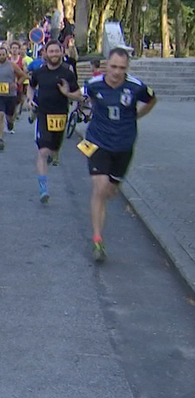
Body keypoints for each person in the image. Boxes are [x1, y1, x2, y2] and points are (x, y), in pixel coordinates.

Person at [62, 47, 157, 261]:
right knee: (100, 187)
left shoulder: (135, 86)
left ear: (127, 68)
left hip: (124, 145)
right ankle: (97, 241)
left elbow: (152, 99)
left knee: (110, 190)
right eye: (113, 66)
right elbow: (82, 95)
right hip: (97, 142)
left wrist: (137, 116)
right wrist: (68, 93)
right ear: (106, 64)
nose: (116, 72)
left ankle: (110, 189)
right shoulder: (95, 84)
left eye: (122, 68)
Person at [26, 40, 81, 203]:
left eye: (57, 51)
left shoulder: (67, 74)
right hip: (43, 114)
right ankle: (43, 189)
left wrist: (67, 93)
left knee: (54, 149)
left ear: (62, 53)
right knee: (43, 151)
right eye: (51, 51)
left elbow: (78, 95)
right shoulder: (39, 72)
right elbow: (31, 86)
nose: (54, 54)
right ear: (45, 54)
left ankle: (52, 153)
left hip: (60, 116)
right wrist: (29, 99)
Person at [0, 46, 27, 152]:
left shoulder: (12, 65)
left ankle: (10, 123)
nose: (1, 56)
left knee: (9, 116)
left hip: (10, 95)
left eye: (3, 54)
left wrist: (17, 84)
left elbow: (23, 76)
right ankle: (0, 139)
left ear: (6, 55)